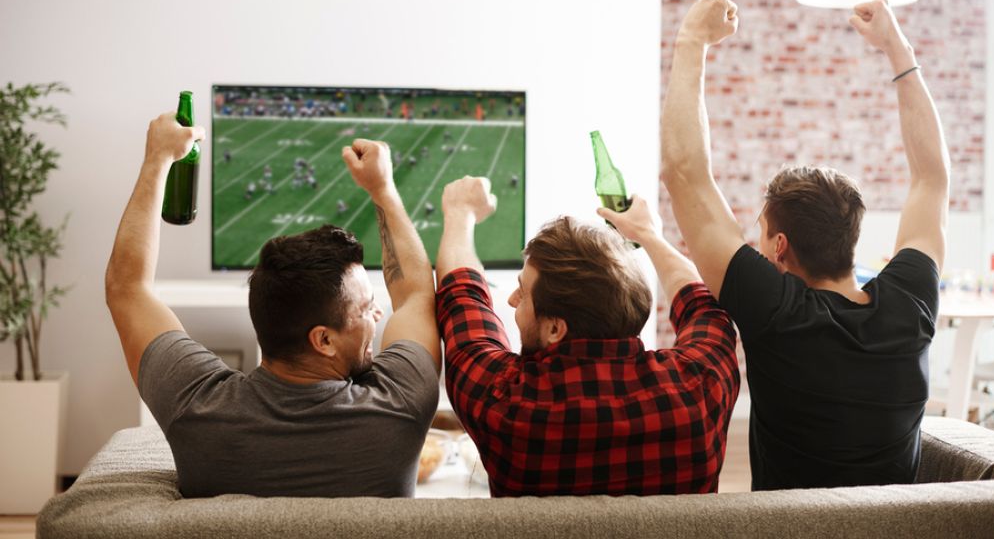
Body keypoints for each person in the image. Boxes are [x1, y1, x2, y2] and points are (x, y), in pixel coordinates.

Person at [660, 0, 948, 490]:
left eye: (760, 233)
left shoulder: (777, 314)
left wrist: (692, 42)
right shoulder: (910, 304)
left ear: (779, 247)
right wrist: (896, 49)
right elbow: (932, 179)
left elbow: (685, 173)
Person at [105, 116, 441, 498]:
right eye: (366, 308)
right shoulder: (402, 405)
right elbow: (416, 296)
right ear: (323, 340)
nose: (378, 314)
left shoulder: (194, 406)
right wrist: (383, 190)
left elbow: (126, 289)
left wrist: (157, 159)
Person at [434, 176, 740, 496]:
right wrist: (649, 235)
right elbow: (699, 302)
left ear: (556, 328)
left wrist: (460, 212)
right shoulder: (700, 386)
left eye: (523, 293)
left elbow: (462, 295)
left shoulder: (505, 402)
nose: (512, 299)